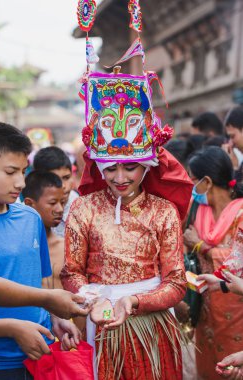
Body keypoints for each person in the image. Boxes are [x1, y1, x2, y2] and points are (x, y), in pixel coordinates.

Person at [60, 61, 193, 379]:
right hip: (103, 323)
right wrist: (95, 301)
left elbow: (176, 282)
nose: (119, 177)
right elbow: (72, 272)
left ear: (146, 166)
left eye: (130, 167)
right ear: (99, 167)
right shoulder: (83, 209)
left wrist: (133, 301)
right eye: (110, 168)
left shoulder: (163, 212)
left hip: (153, 329)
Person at [0, 122, 88, 380]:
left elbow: (39, 284)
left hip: (40, 354)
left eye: (23, 171)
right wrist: (12, 329)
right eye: (10, 172)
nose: (21, 182)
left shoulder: (31, 218)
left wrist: (53, 316)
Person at [183, 146, 243, 380]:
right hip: (205, 305)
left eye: (194, 181)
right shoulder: (200, 211)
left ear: (206, 182)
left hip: (235, 306)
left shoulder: (240, 213)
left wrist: (200, 246)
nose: (192, 188)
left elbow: (236, 261)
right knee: (208, 366)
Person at [22, 171, 65, 289]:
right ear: (29, 204)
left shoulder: (67, 248)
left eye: (62, 202)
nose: (60, 209)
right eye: (52, 203)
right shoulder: (19, 248)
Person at [0, 274, 89, 319]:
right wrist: (11, 329)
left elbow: (39, 280)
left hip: (42, 337)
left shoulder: (37, 231)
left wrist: (53, 318)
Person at [33, 146, 79, 237]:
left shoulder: (82, 208)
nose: (63, 186)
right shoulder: (28, 211)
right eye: (54, 179)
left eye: (66, 177)